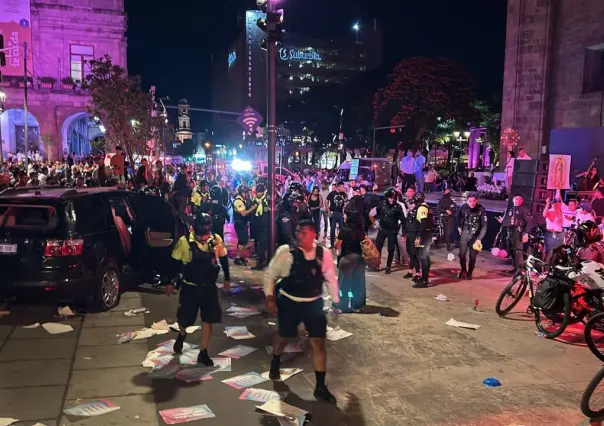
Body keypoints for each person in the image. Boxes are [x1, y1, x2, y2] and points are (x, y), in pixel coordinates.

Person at [264, 219, 339, 404]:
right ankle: (275, 359)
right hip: (289, 302)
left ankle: (320, 386)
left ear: (313, 234)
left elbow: (330, 278)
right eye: (298, 231)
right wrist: (269, 298)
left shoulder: (323, 254)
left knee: (318, 344)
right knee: (284, 336)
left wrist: (336, 301)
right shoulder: (286, 252)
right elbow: (270, 274)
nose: (299, 235)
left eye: (304, 232)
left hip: (313, 304)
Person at [165, 213, 231, 366]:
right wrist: (170, 283)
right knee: (185, 320)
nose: (203, 238)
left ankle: (203, 352)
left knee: (208, 319)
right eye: (200, 235)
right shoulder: (184, 242)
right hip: (190, 288)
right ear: (194, 230)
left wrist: (227, 278)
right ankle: (182, 335)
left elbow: (224, 258)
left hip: (209, 288)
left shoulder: (216, 240)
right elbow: (174, 264)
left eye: (205, 235)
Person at [334, 215, 366, 312]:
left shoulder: (344, 230)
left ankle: (341, 306)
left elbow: (337, 245)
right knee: (358, 284)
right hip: (359, 259)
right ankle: (357, 306)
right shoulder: (361, 230)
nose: (344, 216)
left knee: (343, 284)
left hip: (347, 259)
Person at [371, 187, 404, 274]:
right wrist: (376, 222)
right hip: (382, 229)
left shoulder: (398, 207)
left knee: (391, 249)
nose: (392, 200)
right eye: (390, 198)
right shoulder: (382, 204)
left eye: (394, 198)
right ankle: (377, 265)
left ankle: (388, 266)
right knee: (378, 247)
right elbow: (374, 213)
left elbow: (403, 220)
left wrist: (402, 231)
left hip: (392, 231)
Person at [497, 194, 530, 277]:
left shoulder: (524, 210)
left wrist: (525, 233)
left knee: (518, 251)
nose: (517, 201)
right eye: (516, 199)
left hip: (518, 232)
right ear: (513, 200)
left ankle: (520, 270)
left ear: (522, 201)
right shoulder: (511, 209)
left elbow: (529, 222)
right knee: (512, 249)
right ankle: (515, 267)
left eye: (519, 199)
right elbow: (508, 219)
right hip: (510, 231)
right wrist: (502, 221)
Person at [456, 194, 488, 280]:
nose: (472, 203)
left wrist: (479, 239)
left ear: (476, 201)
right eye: (470, 201)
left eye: (474, 201)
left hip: (475, 235)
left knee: (472, 256)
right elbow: (457, 217)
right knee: (461, 254)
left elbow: (484, 226)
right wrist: (459, 227)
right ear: (467, 201)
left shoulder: (481, 209)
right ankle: (463, 270)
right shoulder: (463, 207)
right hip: (465, 233)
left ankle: (470, 272)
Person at [410, 192, 433, 287]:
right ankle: (425, 279)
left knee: (423, 258)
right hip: (427, 235)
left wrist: (419, 237)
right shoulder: (426, 207)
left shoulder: (422, 208)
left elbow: (423, 224)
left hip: (424, 236)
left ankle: (424, 280)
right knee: (425, 257)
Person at [232, 184, 257, 266]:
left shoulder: (243, 200)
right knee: (242, 241)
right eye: (245, 192)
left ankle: (240, 257)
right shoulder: (238, 201)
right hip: (240, 223)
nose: (246, 194)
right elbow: (243, 213)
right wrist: (253, 208)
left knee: (243, 241)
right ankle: (237, 258)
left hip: (243, 223)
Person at [252, 182, 270, 270]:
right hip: (257, 225)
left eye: (260, 192)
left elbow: (270, 209)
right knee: (258, 244)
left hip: (265, 226)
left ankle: (261, 263)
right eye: (258, 192)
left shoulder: (266, 199)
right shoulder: (255, 200)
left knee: (262, 245)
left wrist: (265, 207)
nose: (259, 193)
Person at [437, 188, 457, 259]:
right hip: (442, 219)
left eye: (449, 191)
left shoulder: (452, 202)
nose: (447, 193)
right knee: (443, 236)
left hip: (449, 220)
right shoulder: (441, 201)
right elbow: (438, 209)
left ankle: (450, 253)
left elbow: (455, 211)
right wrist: (445, 210)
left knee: (448, 236)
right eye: (446, 191)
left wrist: (451, 212)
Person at [543, 198, 565, 264]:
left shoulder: (560, 212)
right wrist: (547, 204)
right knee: (550, 252)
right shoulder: (550, 211)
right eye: (556, 203)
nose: (558, 205)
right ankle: (545, 270)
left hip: (560, 234)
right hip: (551, 234)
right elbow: (544, 214)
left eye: (559, 203)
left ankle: (553, 269)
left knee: (558, 252)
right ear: (553, 204)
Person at [326, 181, 347, 248]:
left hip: (340, 214)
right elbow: (326, 202)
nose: (343, 188)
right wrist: (328, 211)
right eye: (342, 187)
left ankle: (342, 243)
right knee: (332, 229)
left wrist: (344, 213)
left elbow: (345, 202)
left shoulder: (343, 194)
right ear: (338, 187)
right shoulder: (332, 193)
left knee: (342, 229)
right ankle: (332, 245)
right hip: (333, 213)